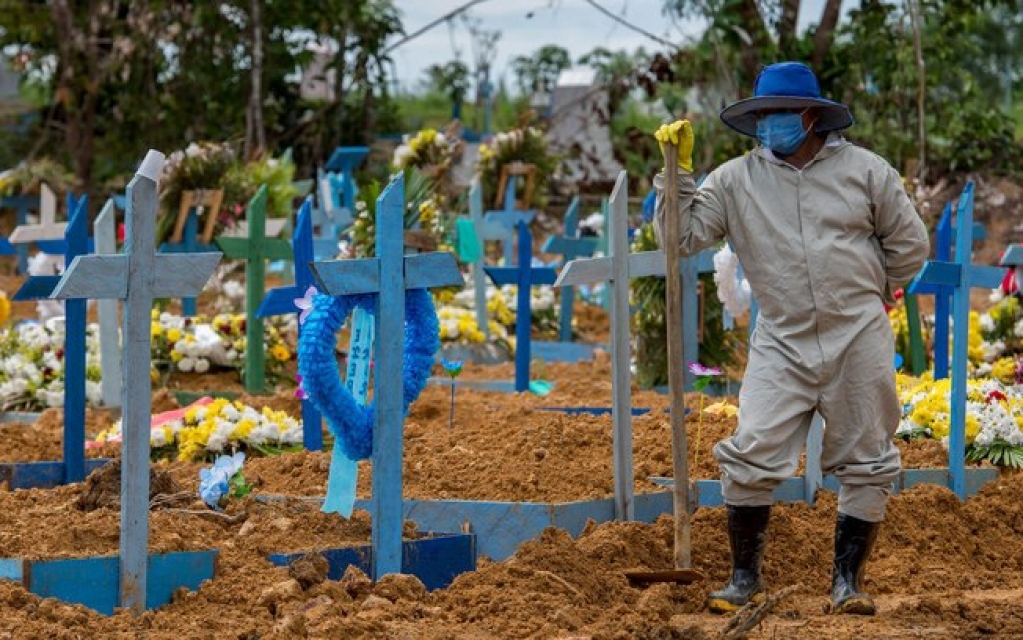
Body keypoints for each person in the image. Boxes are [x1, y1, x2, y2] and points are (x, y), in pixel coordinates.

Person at [652, 61, 930, 615]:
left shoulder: (868, 173)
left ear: (810, 116)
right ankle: (743, 578)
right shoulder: (735, 180)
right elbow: (679, 238)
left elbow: (910, 245)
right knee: (752, 450)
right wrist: (675, 176)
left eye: (778, 114)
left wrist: (874, 292)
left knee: (867, 457)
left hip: (857, 331)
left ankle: (848, 582)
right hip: (781, 335)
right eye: (761, 115)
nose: (769, 125)